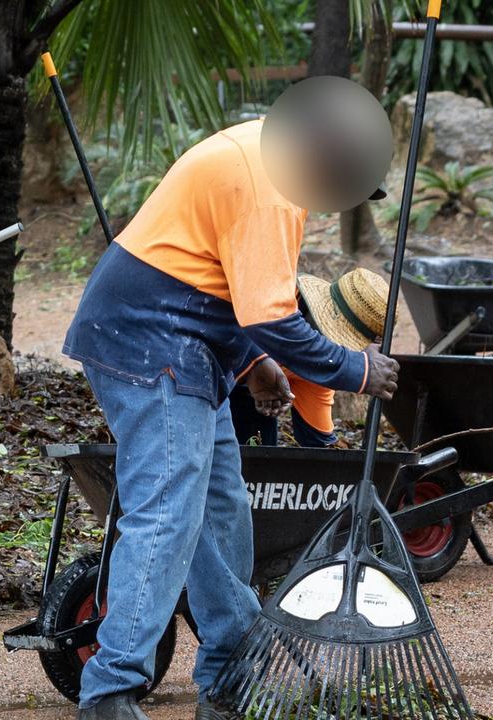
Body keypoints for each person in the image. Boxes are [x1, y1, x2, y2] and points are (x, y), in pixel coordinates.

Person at [62, 118, 399, 720]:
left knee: (222, 512)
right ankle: (110, 691)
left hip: (192, 342)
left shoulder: (268, 149)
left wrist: (255, 363)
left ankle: (227, 674)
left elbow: (227, 282)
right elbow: (272, 316)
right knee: (166, 515)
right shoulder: (272, 187)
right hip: (152, 338)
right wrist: (354, 370)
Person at [229, 268, 392, 448]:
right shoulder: (271, 297)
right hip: (209, 366)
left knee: (260, 452)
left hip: (257, 400)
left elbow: (317, 442)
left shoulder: (320, 366)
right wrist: (254, 367)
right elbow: (221, 330)